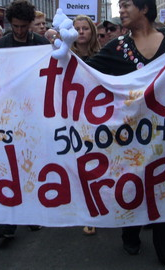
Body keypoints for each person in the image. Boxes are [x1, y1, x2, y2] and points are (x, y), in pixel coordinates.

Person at [85, 1, 165, 269]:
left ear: (144, 8)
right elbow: (84, 73)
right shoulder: (116, 48)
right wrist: (60, 48)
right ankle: (130, 231)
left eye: (127, 4)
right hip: (130, 136)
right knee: (132, 185)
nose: (122, 11)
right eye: (120, 6)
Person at [0, 0, 48, 238]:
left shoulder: (42, 44)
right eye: (16, 26)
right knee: (6, 168)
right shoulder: (1, 46)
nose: (20, 30)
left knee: (30, 167)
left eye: (24, 26)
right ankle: (6, 222)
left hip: (34, 117)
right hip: (7, 117)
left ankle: (31, 214)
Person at [70, 14, 101, 235]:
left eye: (85, 28)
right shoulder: (63, 55)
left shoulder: (102, 55)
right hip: (70, 118)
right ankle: (83, 209)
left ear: (91, 32)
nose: (81, 32)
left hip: (96, 118)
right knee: (76, 163)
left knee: (95, 164)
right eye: (77, 28)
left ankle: (95, 208)